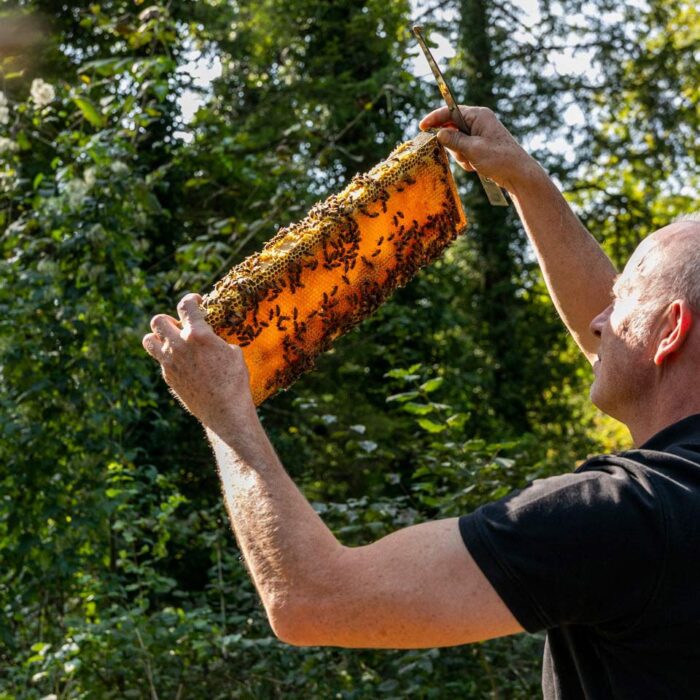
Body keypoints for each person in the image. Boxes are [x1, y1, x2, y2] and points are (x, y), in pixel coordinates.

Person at [142, 105, 700, 699]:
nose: (597, 320)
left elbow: (313, 598)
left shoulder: (621, 518)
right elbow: (635, 351)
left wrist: (225, 414)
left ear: (669, 331)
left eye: (622, 297)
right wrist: (526, 182)